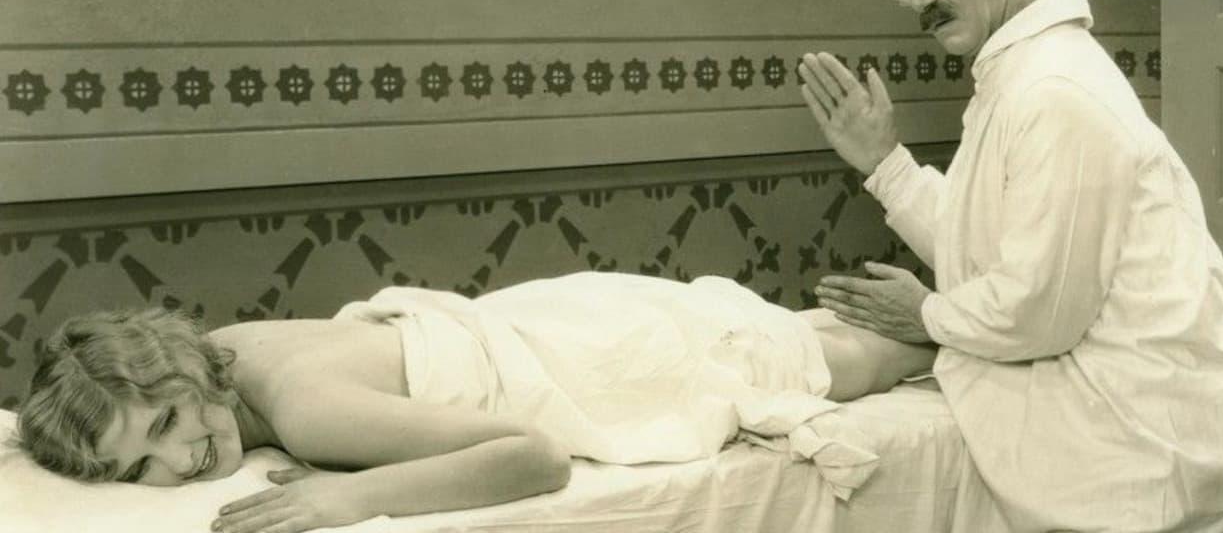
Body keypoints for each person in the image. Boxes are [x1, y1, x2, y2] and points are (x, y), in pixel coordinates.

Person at [799, 0, 1223, 532]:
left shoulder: (1055, 91)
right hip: (1138, 386)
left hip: (1160, 429)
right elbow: (995, 249)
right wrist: (885, 162)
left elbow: (1037, 310)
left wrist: (928, 315)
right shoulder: (1020, 75)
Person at [16, 271, 935, 533]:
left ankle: (977, 323)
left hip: (596, 355)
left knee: (859, 361)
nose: (178, 461)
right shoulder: (224, 352)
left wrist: (349, 495)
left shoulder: (301, 410)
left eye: (169, 421)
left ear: (176, 371)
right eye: (143, 460)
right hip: (554, 311)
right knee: (804, 336)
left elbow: (531, 457)